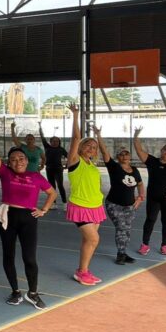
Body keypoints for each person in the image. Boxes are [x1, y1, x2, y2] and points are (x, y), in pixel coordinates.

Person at [0, 119, 56, 309]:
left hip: (29, 219)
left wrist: (43, 210)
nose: (18, 161)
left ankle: (32, 293)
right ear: (9, 163)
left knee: (29, 258)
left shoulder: (36, 176)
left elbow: (52, 193)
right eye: (13, 159)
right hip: (8, 217)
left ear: (27, 161)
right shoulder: (5, 173)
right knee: (8, 255)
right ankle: (15, 291)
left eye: (21, 158)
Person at [64, 104, 106, 286]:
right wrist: (76, 115)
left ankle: (84, 270)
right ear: (80, 148)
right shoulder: (75, 161)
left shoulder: (92, 166)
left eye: (94, 147)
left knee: (88, 241)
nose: (91, 148)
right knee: (94, 239)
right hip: (81, 206)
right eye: (87, 145)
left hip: (96, 207)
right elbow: (76, 137)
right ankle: (82, 272)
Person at [95, 128, 144, 265]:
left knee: (126, 229)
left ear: (130, 157)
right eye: (121, 154)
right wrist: (98, 135)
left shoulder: (135, 170)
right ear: (118, 157)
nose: (124, 156)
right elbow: (104, 151)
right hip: (114, 204)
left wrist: (140, 197)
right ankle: (121, 254)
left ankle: (123, 252)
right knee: (122, 227)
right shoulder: (114, 167)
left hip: (130, 206)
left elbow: (140, 184)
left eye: (126, 154)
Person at [133, 127, 166, 256]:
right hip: (153, 197)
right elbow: (139, 150)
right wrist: (136, 136)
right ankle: (145, 245)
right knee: (150, 219)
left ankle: (164, 245)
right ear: (162, 150)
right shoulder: (152, 161)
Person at [39, 123, 68, 210]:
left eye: (57, 141)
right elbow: (42, 138)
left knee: (60, 186)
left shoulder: (61, 149)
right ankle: (54, 203)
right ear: (50, 142)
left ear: (59, 142)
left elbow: (69, 157)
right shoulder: (47, 147)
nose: (55, 142)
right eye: (53, 141)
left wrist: (67, 165)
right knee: (52, 187)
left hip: (58, 169)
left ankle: (65, 204)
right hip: (49, 169)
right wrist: (40, 127)